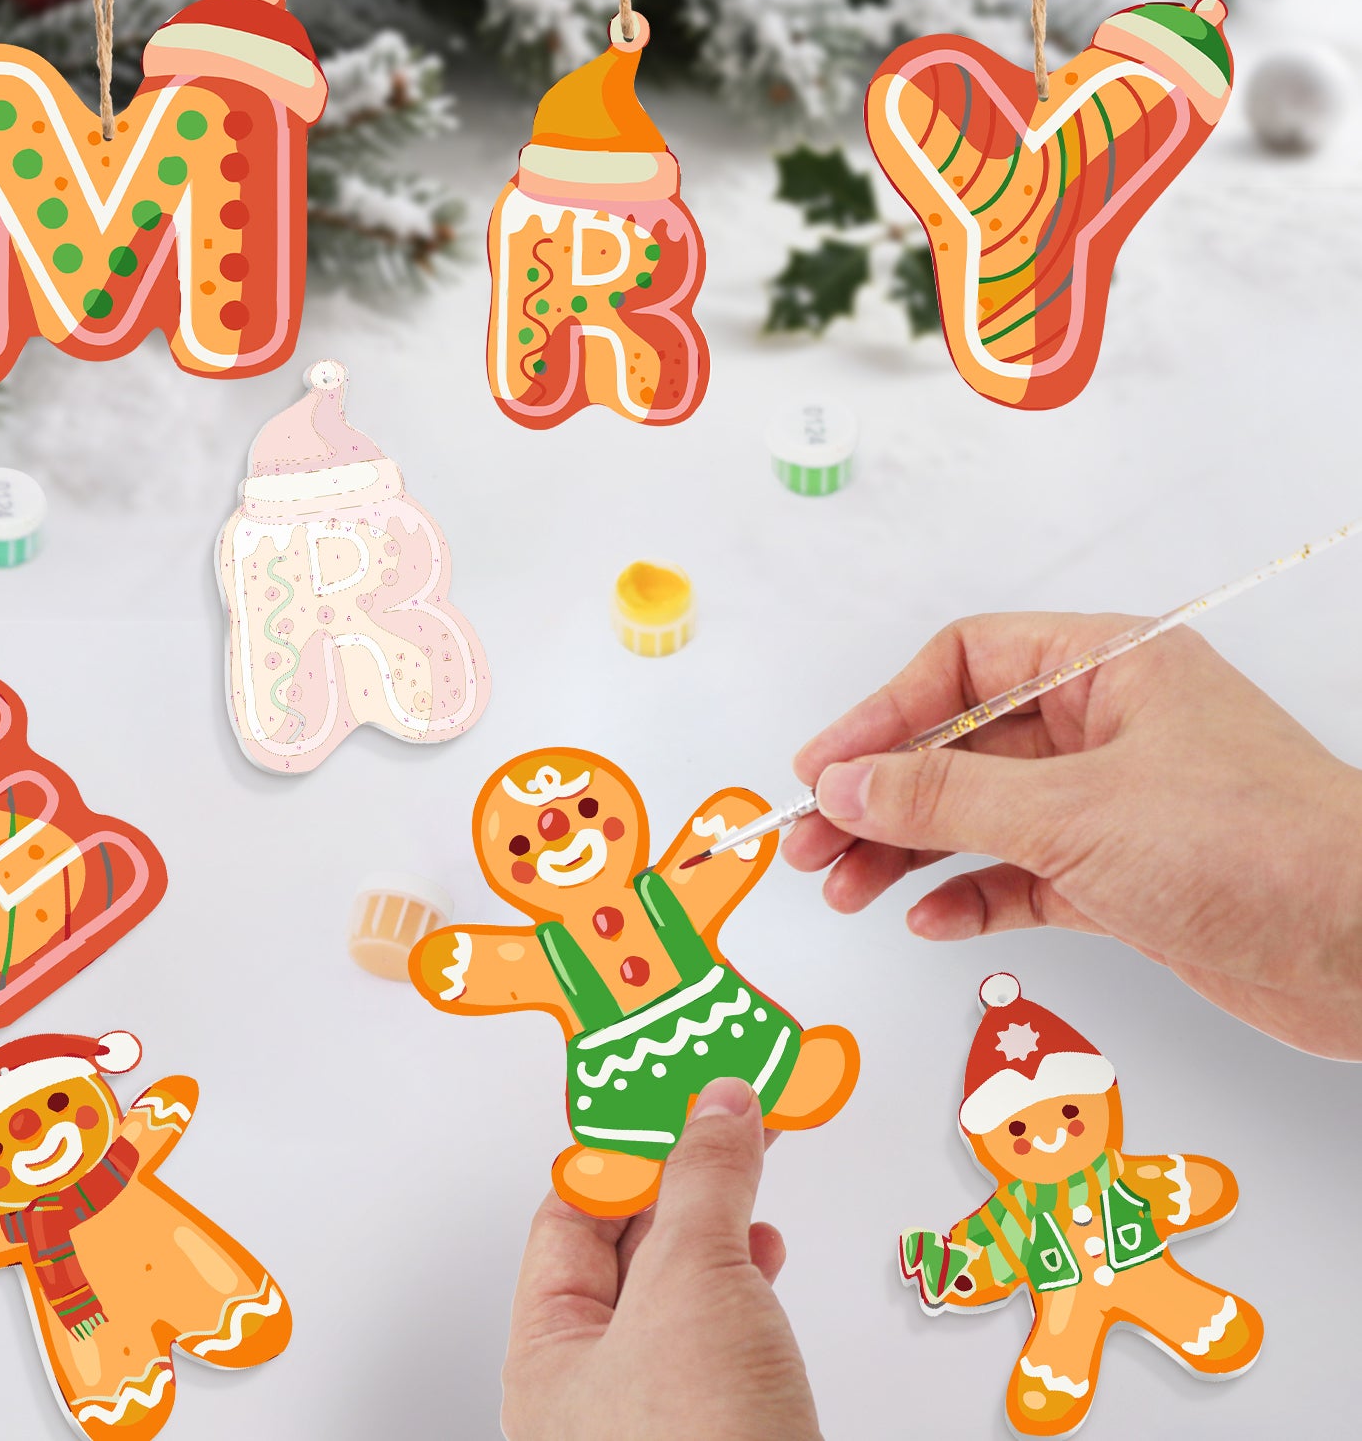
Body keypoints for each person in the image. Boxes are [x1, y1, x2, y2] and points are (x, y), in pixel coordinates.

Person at [501, 614, 1362, 1439]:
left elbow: (1179, 1188)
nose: (1052, 1133)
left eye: (1063, 1113)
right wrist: (951, 1264)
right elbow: (987, 1251)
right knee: (1062, 1333)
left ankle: (1188, 1315)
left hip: (1136, 1266)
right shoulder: (561, 950)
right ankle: (631, 1143)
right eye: (1030, 1122)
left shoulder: (1084, 1190)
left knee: (1173, 1303)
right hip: (641, 1064)